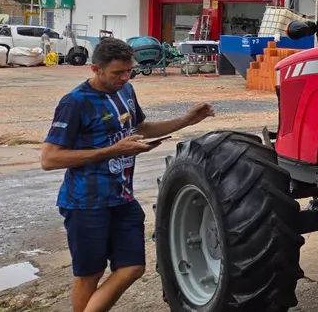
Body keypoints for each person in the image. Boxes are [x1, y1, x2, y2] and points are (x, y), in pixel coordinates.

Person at [40, 38, 214, 312]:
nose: (125, 77)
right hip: (86, 203)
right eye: (117, 73)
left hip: (121, 198)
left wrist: (186, 120)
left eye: (129, 70)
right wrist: (111, 151)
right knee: (90, 274)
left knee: (132, 267)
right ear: (95, 69)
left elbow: (141, 128)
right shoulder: (75, 102)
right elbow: (49, 159)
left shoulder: (126, 91)